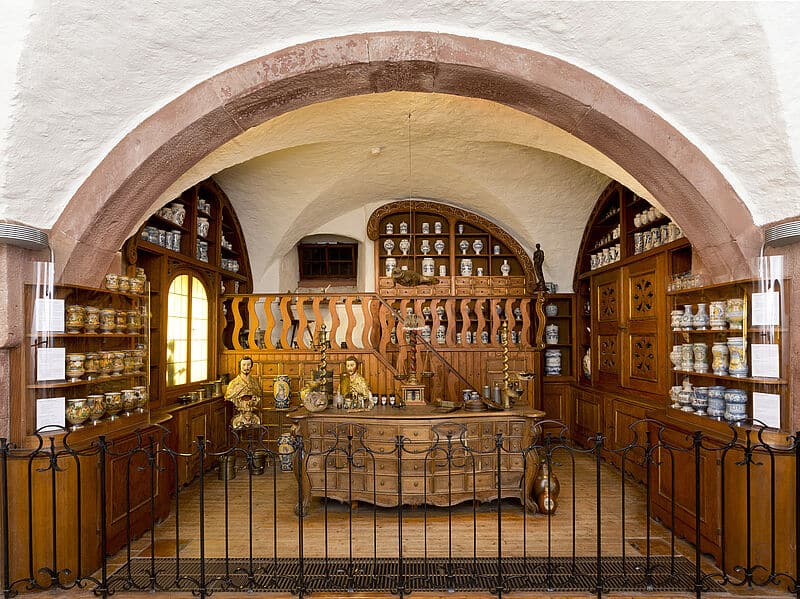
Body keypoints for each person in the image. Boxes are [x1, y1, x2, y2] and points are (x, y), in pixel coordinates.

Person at [225, 355, 262, 428]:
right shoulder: (233, 383)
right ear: (240, 366)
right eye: (244, 365)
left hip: (252, 413)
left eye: (248, 365)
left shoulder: (255, 382)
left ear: (251, 366)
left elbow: (259, 394)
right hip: (239, 415)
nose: (246, 367)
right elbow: (229, 396)